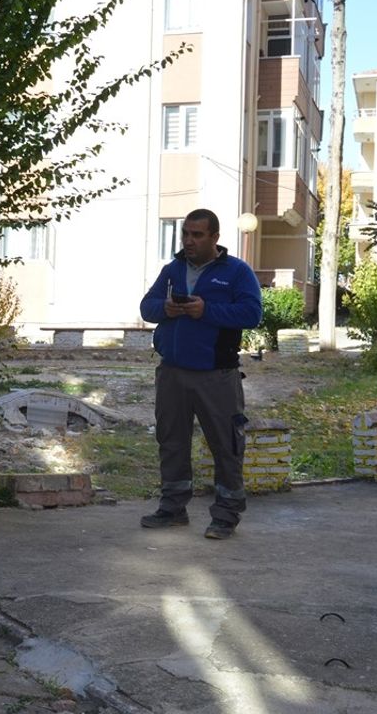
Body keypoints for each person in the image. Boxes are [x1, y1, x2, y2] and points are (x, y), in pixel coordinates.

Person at [138, 208, 262, 540]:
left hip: (216, 375)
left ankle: (225, 515)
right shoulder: (173, 270)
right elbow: (146, 307)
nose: (189, 241)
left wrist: (206, 310)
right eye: (186, 234)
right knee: (172, 441)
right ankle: (173, 508)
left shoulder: (236, 272)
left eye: (197, 235)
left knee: (226, 445)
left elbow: (251, 313)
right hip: (172, 373)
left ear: (215, 238)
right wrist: (166, 308)